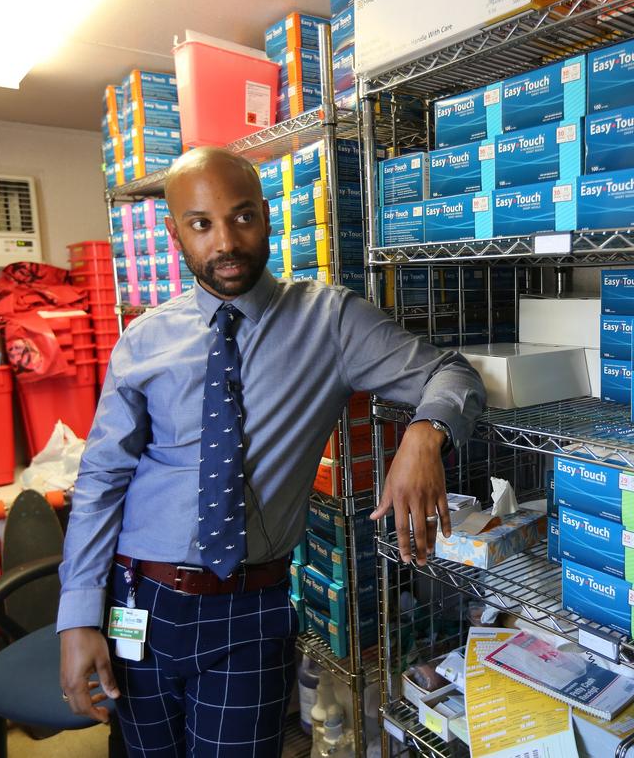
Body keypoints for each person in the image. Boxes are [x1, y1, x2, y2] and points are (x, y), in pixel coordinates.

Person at [58, 146, 485, 757]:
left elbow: (452, 373)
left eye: (242, 217)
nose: (225, 241)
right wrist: (77, 618)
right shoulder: (144, 339)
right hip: (137, 600)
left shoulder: (329, 321)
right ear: (175, 231)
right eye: (201, 224)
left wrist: (425, 434)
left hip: (248, 610)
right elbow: (101, 482)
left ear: (265, 214)